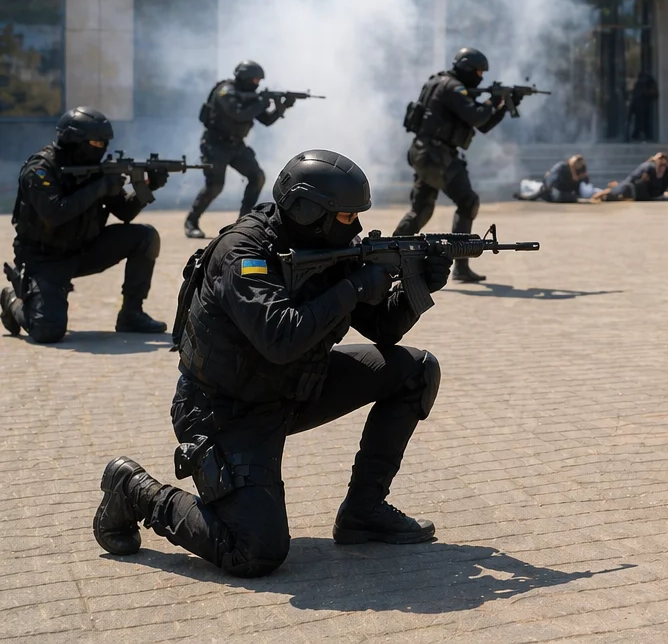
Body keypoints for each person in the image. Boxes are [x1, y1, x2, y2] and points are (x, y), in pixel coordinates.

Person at [91, 150, 449, 579]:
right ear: (309, 211)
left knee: (415, 371)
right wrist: (354, 288)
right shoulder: (244, 253)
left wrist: (419, 286)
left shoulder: (328, 247)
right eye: (346, 216)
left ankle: (364, 511)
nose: (355, 227)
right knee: (255, 552)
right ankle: (135, 491)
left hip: (295, 386)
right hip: (224, 412)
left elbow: (383, 330)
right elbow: (280, 337)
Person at [1, 107, 168, 342]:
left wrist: (148, 186)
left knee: (145, 237)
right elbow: (54, 214)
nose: (102, 148)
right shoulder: (40, 170)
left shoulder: (96, 171)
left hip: (84, 250)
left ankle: (131, 314)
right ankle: (12, 300)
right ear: (74, 140)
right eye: (96, 143)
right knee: (48, 330)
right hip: (45, 259)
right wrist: (100, 186)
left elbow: (125, 212)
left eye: (104, 143)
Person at [394, 47, 508, 282]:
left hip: (427, 153)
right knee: (468, 202)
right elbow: (477, 116)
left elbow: (483, 124)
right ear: (466, 68)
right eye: (478, 72)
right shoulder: (452, 87)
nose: (480, 77)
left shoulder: (442, 82)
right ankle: (460, 266)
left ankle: (391, 257)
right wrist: (494, 100)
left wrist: (504, 105)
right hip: (436, 155)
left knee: (421, 210)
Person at [185, 60, 292, 239]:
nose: (257, 84)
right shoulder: (225, 91)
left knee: (257, 177)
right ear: (245, 77)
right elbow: (239, 113)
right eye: (255, 80)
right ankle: (191, 221)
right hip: (215, 145)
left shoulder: (252, 98)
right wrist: (262, 102)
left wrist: (283, 106)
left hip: (237, 146)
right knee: (215, 186)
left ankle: (243, 221)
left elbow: (266, 120)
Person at [593, 152, 668, 201]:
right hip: (634, 189)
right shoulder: (648, 168)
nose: (662, 167)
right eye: (660, 163)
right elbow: (633, 180)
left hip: (649, 195)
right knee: (622, 192)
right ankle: (606, 192)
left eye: (664, 164)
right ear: (656, 162)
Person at [519, 154, 591, 203]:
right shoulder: (561, 168)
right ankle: (524, 185)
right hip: (547, 189)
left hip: (562, 190)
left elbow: (580, 188)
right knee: (531, 186)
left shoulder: (579, 174)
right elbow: (549, 186)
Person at [627, 70, 659, 142]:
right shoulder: (643, 83)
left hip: (641, 105)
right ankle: (639, 135)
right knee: (641, 121)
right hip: (641, 105)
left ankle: (638, 135)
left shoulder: (642, 83)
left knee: (641, 121)